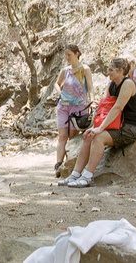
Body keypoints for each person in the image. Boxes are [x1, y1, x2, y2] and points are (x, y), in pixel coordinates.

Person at [58, 57, 136, 188]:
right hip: (118, 124)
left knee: (99, 137)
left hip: (133, 126)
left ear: (121, 70)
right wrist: (94, 127)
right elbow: (104, 108)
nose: (108, 73)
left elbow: (117, 108)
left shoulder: (128, 84)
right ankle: (75, 174)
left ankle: (87, 176)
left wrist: (99, 129)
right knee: (89, 136)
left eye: (111, 70)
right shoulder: (112, 85)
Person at [53, 44, 95, 177]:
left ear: (77, 54)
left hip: (79, 107)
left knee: (73, 135)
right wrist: (60, 93)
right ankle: (58, 165)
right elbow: (56, 83)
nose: (67, 58)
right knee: (62, 136)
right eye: (66, 55)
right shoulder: (65, 71)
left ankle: (70, 163)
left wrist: (92, 101)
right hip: (64, 106)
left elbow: (90, 87)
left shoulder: (85, 69)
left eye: (69, 55)